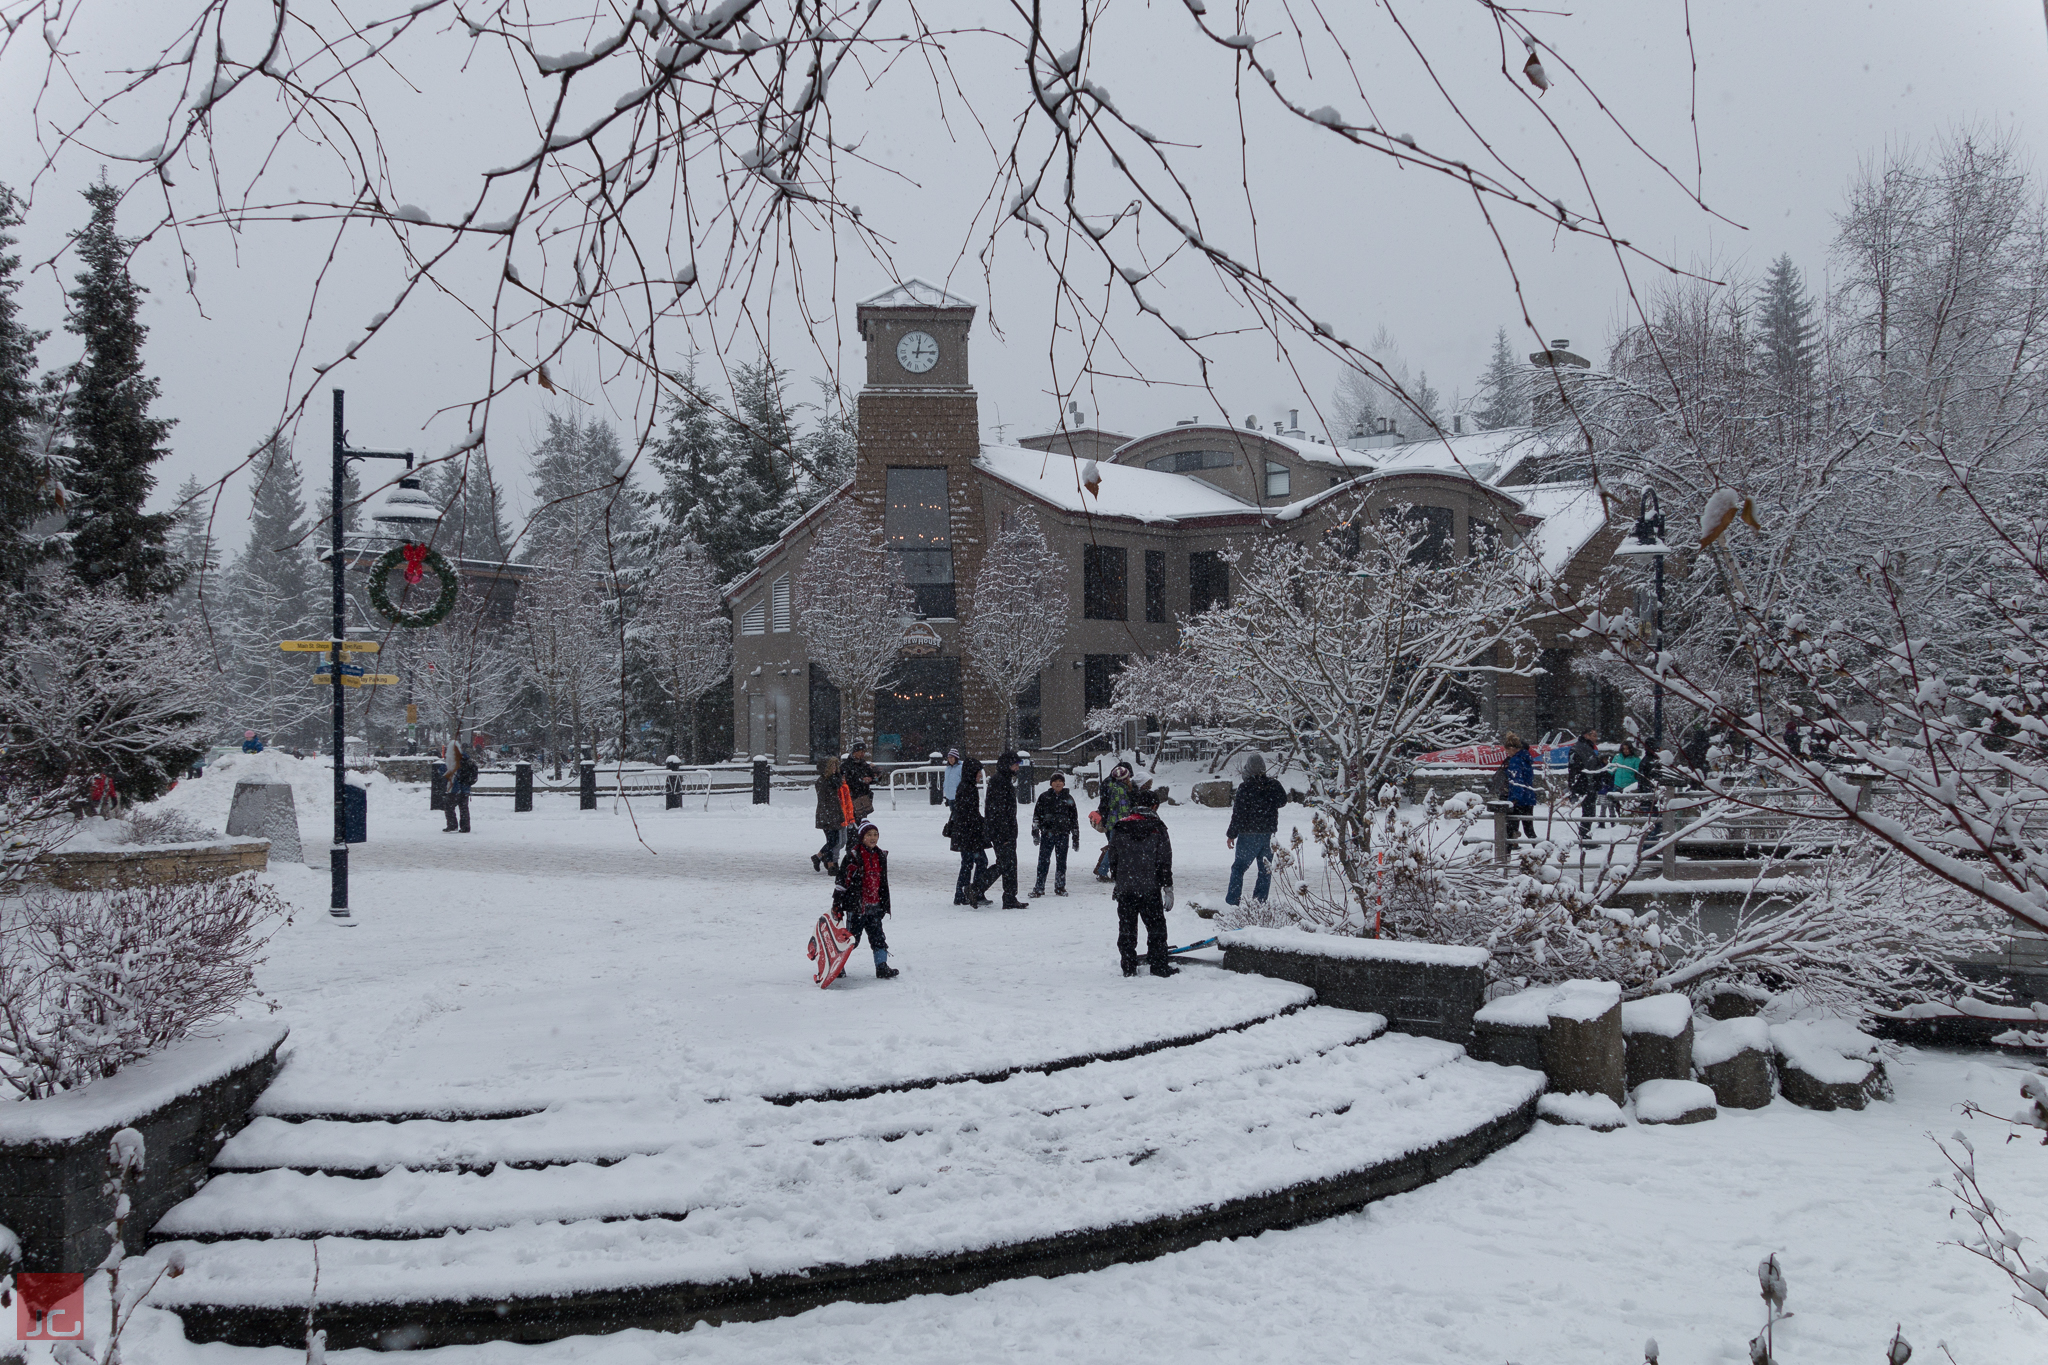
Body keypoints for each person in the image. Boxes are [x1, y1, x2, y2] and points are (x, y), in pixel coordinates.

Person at [1107, 788, 1176, 978]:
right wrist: (1167, 887)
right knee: (1156, 929)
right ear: (1154, 806)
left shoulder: (1121, 826)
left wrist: (1119, 879)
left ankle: (1128, 966)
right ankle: (1159, 965)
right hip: (1149, 887)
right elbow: (1164, 860)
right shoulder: (1158, 827)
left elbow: (1113, 856)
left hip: (1126, 887)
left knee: (1127, 929)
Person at [833, 820, 898, 979]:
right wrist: (837, 903)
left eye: (875, 835)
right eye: (869, 835)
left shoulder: (880, 855)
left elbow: (882, 882)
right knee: (851, 939)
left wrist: (884, 905)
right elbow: (842, 881)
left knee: (878, 938)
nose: (873, 838)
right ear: (862, 837)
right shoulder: (852, 856)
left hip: (874, 906)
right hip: (857, 907)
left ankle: (881, 967)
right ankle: (837, 965)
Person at [1224, 754, 1288, 907]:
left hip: (1248, 834)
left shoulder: (1245, 788)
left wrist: (1231, 834)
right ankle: (1259, 902)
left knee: (1239, 868)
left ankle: (1232, 902)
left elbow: (1238, 814)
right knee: (1265, 870)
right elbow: (1282, 801)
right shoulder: (1273, 785)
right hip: (1268, 835)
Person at [973, 751, 1029, 908]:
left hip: (1004, 832)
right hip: (1003, 833)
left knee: (1008, 865)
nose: (1017, 767)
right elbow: (998, 811)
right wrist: (1003, 834)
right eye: (1015, 764)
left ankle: (1008, 896)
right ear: (1007, 765)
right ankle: (977, 888)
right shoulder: (1000, 782)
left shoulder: (1002, 780)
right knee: (1005, 864)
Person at [947, 758, 991, 906]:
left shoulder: (965, 786)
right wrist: (983, 823)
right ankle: (973, 891)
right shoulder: (968, 788)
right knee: (979, 861)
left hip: (965, 833)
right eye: (978, 772)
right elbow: (970, 814)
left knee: (968, 863)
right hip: (969, 834)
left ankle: (962, 893)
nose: (980, 775)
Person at [1030, 771, 1081, 897]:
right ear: (1051, 784)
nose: (1058, 784)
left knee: (1061, 862)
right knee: (1043, 861)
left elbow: (1074, 819)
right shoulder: (1044, 797)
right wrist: (1035, 832)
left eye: (1060, 781)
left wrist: (1075, 837)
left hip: (1063, 834)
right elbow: (1037, 815)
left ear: (1063, 783)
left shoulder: (1068, 798)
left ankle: (1060, 886)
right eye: (1055, 781)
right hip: (1047, 834)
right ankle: (1039, 887)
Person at [1091, 761, 1138, 881]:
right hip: (1119, 823)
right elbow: (1123, 809)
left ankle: (1106, 870)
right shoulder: (1121, 789)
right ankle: (1103, 870)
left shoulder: (1111, 785)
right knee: (1115, 847)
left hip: (1112, 822)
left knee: (1114, 847)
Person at [812, 756, 852, 873]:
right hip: (828, 814)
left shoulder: (835, 780)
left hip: (835, 813)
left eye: (835, 765)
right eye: (832, 766)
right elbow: (823, 800)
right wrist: (827, 814)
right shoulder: (823, 781)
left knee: (835, 840)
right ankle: (827, 862)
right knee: (832, 840)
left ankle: (822, 859)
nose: (835, 768)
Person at [1494, 734, 1537, 843]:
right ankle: (1541, 851)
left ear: (1512, 749)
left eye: (1507, 751)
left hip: (1518, 800)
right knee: (1529, 830)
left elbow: (1517, 781)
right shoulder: (1526, 759)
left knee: (1509, 831)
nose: (1507, 754)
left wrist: (1514, 799)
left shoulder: (1515, 761)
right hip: (1528, 798)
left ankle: (1505, 856)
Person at [1568, 729, 1606, 843]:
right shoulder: (1582, 748)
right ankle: (1584, 837)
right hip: (1586, 784)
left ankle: (1584, 836)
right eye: (1593, 735)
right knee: (1588, 812)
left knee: (1589, 812)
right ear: (1586, 735)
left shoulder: (1585, 747)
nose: (1596, 738)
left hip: (1586, 783)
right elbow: (1584, 767)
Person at [442, 736, 477, 833]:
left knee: (449, 806)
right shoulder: (466, 759)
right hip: (465, 788)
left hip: (455, 788)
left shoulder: (454, 760)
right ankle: (465, 827)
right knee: (464, 808)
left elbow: (449, 773)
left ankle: (452, 825)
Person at [842, 742, 878, 818]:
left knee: (862, 820)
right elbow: (846, 781)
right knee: (853, 821)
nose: (863, 754)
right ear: (855, 752)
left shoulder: (864, 764)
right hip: (852, 798)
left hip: (863, 798)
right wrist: (861, 780)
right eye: (861, 752)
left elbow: (876, 779)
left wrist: (875, 774)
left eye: (864, 752)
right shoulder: (846, 765)